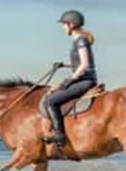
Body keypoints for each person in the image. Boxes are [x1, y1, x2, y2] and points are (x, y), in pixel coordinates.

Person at [42, 10, 98, 148]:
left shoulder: (80, 40)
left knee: (51, 101)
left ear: (71, 24)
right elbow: (80, 64)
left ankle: (59, 136)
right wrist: (65, 65)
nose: (63, 27)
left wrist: (68, 80)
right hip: (83, 78)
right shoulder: (79, 40)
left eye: (64, 24)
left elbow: (84, 65)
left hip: (84, 80)